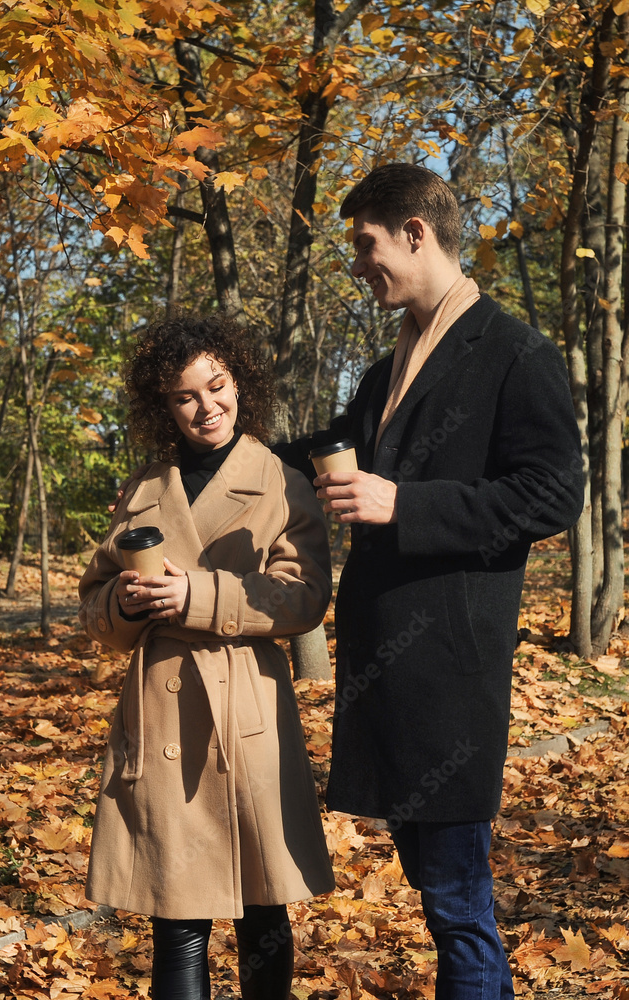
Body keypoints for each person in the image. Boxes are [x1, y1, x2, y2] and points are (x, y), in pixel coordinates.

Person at [278, 163, 584, 999]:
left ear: (415, 232)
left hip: (449, 672)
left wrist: (402, 503)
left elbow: (553, 493)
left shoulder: (516, 352)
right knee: (433, 889)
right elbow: (323, 449)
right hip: (385, 671)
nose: (357, 263)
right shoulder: (387, 368)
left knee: (456, 903)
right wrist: (217, 447)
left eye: (365, 243)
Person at [78, 314, 334, 1000]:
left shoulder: (280, 480)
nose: (205, 407)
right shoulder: (143, 487)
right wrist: (126, 607)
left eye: (216, 386)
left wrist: (198, 595)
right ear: (163, 406)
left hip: (244, 712)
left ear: (239, 384)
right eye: (184, 396)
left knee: (262, 908)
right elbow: (95, 601)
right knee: (176, 915)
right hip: (160, 715)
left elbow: (305, 597)